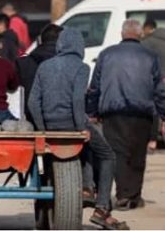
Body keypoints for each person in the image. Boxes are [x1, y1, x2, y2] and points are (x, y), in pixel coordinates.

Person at [28, 28, 127, 230]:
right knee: (107, 155)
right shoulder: (81, 67)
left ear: (60, 45)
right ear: (80, 47)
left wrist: (43, 129)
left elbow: (32, 102)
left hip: (49, 126)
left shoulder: (45, 66)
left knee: (88, 148)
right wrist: (81, 129)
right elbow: (76, 100)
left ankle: (87, 188)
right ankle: (101, 208)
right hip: (71, 124)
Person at [87, 19, 165, 211]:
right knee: (138, 155)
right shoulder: (151, 56)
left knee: (118, 154)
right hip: (142, 113)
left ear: (122, 34)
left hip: (113, 112)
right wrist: (163, 114)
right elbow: (159, 90)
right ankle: (132, 195)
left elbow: (95, 86)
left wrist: (92, 111)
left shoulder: (106, 54)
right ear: (140, 34)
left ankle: (123, 195)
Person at [15, 23, 63, 123]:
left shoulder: (23, 63)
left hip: (30, 117)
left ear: (40, 41)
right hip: (60, 118)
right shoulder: (68, 64)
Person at [142, 18, 165, 153]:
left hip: (156, 79)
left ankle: (152, 141)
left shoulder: (147, 43)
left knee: (155, 109)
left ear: (147, 28)